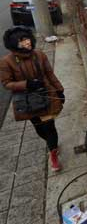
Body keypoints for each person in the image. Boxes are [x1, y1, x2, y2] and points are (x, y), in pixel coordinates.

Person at [0, 26, 65, 171]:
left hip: (46, 96)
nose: (27, 43)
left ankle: (53, 154)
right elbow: (6, 84)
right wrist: (27, 84)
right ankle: (51, 145)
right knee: (40, 130)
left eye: (27, 39)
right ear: (13, 44)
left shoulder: (40, 55)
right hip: (28, 101)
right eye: (22, 41)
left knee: (49, 127)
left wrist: (60, 91)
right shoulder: (6, 62)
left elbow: (50, 74)